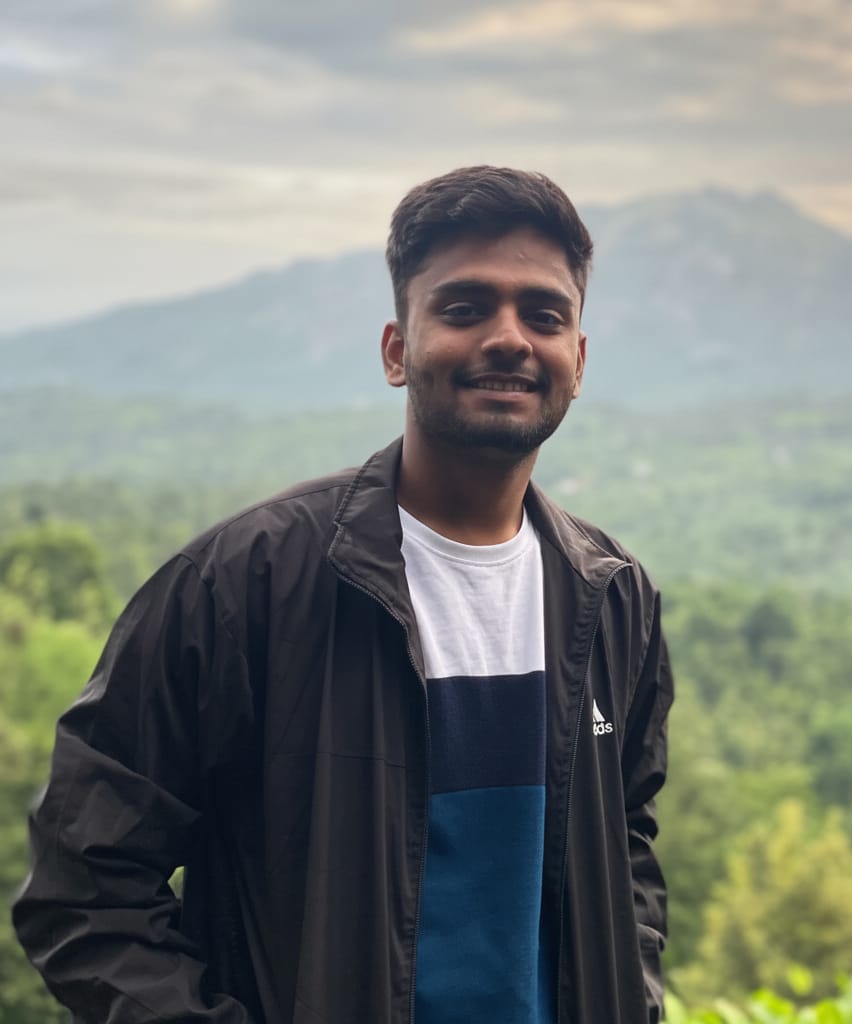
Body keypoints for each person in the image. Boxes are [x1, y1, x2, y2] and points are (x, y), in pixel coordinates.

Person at [13, 166, 674, 1023]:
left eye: (544, 316)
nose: (509, 338)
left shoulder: (612, 600)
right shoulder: (243, 586)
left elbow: (627, 842)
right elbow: (83, 884)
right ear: (397, 350)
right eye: (465, 308)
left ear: (577, 361)